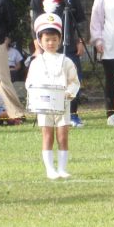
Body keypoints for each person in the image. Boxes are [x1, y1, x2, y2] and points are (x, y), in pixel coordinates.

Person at [29, 0, 87, 127]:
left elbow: (81, 20)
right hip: (46, 44)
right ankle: (47, 112)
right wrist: (36, 45)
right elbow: (33, 22)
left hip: (69, 44)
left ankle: (73, 114)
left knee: (73, 77)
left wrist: (81, 41)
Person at [26, 13, 80, 180]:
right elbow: (29, 83)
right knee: (47, 136)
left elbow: (74, 81)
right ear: (40, 41)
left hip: (62, 104)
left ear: (60, 40)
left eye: (54, 39)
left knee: (63, 136)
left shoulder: (66, 61)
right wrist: (36, 94)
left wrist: (69, 93)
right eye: (47, 40)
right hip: (44, 105)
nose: (50, 43)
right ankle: (50, 168)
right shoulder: (36, 62)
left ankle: (62, 168)